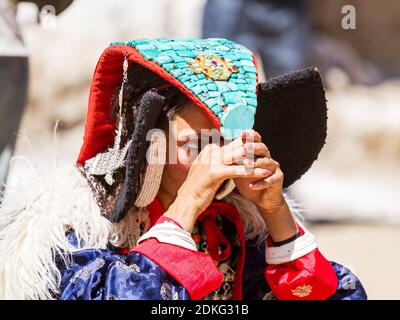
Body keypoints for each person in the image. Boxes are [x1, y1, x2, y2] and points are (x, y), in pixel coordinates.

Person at [0, 38, 367, 300]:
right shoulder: (76, 227)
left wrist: (276, 214)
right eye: (196, 143)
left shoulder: (236, 226)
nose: (219, 158)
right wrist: (186, 204)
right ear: (147, 142)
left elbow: (338, 295)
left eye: (229, 140)